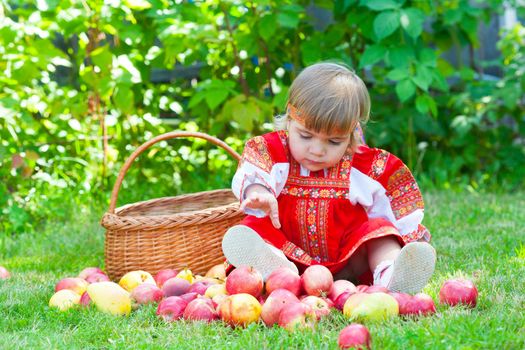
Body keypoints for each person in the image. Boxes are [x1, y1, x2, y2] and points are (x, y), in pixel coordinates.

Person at [221, 62, 436, 294]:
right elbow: (255, 163)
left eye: (334, 141)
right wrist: (258, 191)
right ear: (289, 122)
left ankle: (390, 274)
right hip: (290, 254)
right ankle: (275, 269)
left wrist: (410, 236)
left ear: (350, 137)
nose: (317, 150)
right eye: (305, 136)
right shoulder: (276, 153)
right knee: (255, 226)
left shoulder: (361, 166)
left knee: (380, 231)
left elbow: (394, 197)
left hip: (348, 261)